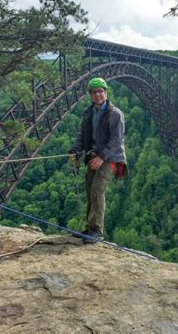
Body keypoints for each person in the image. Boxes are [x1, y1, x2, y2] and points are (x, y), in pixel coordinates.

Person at [69, 77, 128, 243]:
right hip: (94, 157)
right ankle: (89, 227)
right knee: (90, 189)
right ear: (90, 95)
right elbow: (82, 137)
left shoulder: (115, 114)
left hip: (111, 158)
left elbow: (116, 140)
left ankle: (97, 230)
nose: (98, 94)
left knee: (97, 189)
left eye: (100, 91)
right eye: (94, 92)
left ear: (106, 92)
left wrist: (102, 157)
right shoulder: (88, 114)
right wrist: (75, 151)